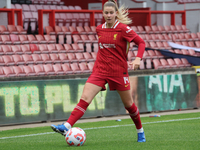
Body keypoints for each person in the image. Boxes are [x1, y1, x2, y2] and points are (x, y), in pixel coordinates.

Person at [51, 0, 146, 142]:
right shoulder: (99, 29)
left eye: (111, 13)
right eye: (106, 13)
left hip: (118, 72)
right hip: (100, 70)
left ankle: (140, 131)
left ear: (116, 14)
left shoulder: (123, 29)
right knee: (85, 98)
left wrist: (138, 59)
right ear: (103, 14)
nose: (108, 15)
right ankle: (67, 125)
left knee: (129, 105)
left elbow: (141, 42)